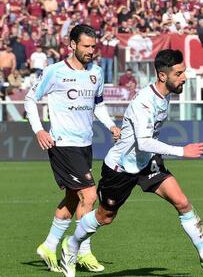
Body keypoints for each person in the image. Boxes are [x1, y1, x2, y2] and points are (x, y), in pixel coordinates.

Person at [59, 49, 203, 277]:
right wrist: (183, 151)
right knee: (105, 217)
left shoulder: (166, 94)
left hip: (147, 163)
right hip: (120, 168)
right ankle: (71, 245)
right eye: (179, 73)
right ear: (163, 76)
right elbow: (143, 142)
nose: (184, 77)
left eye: (184, 72)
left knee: (182, 202)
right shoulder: (145, 101)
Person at [24, 24, 120, 273]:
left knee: (71, 198)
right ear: (72, 45)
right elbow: (30, 99)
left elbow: (98, 104)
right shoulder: (54, 72)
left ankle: (48, 245)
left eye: (93, 46)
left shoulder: (96, 72)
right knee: (89, 196)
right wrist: (39, 130)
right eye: (86, 46)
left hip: (85, 144)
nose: (91, 51)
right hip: (62, 144)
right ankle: (81, 252)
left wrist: (111, 126)